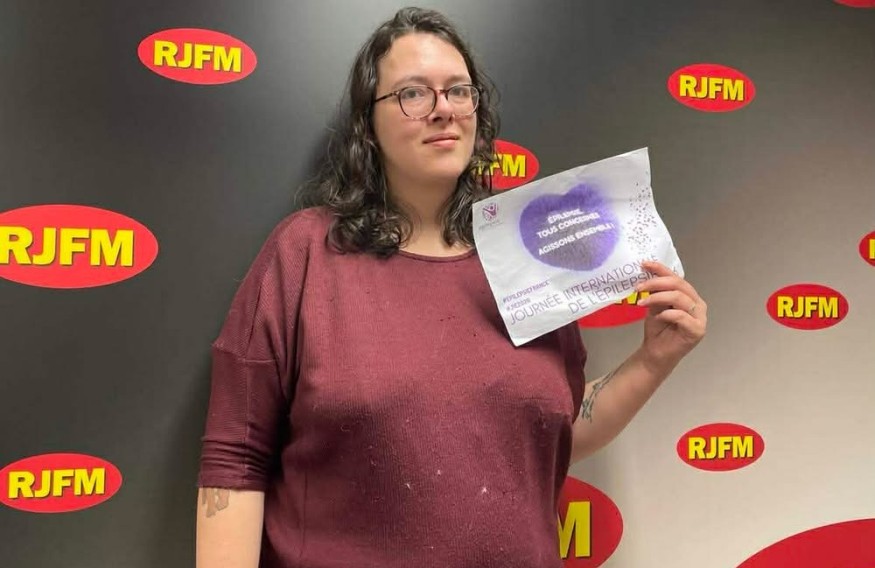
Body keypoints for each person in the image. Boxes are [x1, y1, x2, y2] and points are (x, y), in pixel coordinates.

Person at [195, 7, 707, 568]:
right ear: (368, 123)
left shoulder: (529, 261)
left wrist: (653, 360)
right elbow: (235, 457)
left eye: (459, 91)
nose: (443, 110)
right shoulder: (306, 253)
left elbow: (556, 432)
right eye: (413, 94)